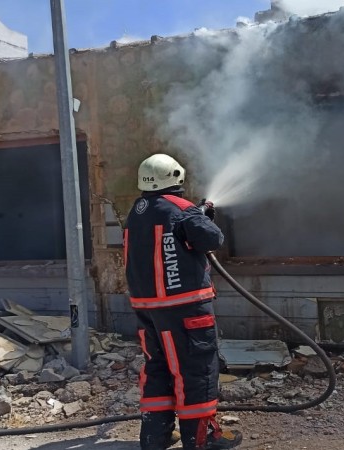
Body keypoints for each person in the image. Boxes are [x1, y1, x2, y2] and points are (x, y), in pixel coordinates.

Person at [124, 154, 243, 450]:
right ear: (175, 176)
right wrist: (200, 216)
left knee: (158, 368)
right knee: (196, 369)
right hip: (185, 309)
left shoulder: (136, 211)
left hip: (147, 310)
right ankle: (201, 438)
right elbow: (213, 239)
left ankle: (155, 437)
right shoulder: (181, 208)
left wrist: (196, 216)